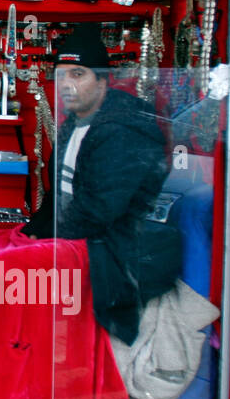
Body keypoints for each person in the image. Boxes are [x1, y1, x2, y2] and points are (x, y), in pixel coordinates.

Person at [23, 25, 179, 345]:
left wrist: (45, 243)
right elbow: (59, 194)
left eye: (78, 74)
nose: (67, 84)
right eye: (62, 74)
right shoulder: (74, 124)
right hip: (76, 243)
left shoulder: (123, 129)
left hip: (112, 255)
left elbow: (100, 210)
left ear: (103, 81)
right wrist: (32, 231)